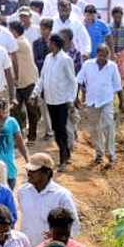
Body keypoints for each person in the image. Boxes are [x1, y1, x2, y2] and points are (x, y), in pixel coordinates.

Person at [34, 35, 76, 170]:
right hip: (50, 99)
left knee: (61, 129)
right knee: (56, 129)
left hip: (62, 100)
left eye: (49, 42)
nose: (47, 44)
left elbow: (72, 81)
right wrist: (35, 92)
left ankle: (64, 158)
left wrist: (70, 100)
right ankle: (66, 154)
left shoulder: (65, 60)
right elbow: (42, 78)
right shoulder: (48, 58)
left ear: (55, 44)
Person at [75, 45, 121, 166]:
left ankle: (111, 153)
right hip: (91, 101)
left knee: (108, 124)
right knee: (95, 128)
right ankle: (99, 152)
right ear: (97, 54)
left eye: (105, 55)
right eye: (101, 55)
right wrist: (75, 98)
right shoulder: (88, 65)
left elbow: (117, 86)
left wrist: (122, 102)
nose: (103, 58)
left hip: (107, 100)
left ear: (109, 55)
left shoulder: (112, 67)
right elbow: (79, 81)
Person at [16, 155, 79, 243]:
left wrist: (61, 240)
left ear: (47, 173)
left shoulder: (62, 196)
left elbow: (74, 225)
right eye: (28, 170)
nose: (29, 173)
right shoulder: (23, 191)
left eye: (34, 171)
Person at [105, 9, 124, 112]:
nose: (118, 19)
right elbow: (106, 41)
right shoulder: (109, 28)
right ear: (113, 16)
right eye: (116, 17)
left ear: (122, 16)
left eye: (119, 17)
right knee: (115, 78)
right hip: (113, 54)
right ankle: (119, 102)